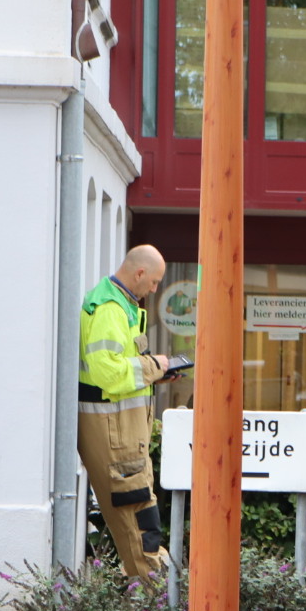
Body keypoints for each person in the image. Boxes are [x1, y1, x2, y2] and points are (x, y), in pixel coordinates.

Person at [77, 245, 176, 580]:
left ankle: (155, 602)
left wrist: (157, 371)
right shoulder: (110, 309)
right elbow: (108, 374)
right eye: (154, 282)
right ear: (139, 274)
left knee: (142, 520)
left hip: (123, 434)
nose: (155, 289)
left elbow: (120, 372)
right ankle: (155, 607)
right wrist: (154, 366)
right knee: (138, 524)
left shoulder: (122, 306)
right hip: (114, 434)